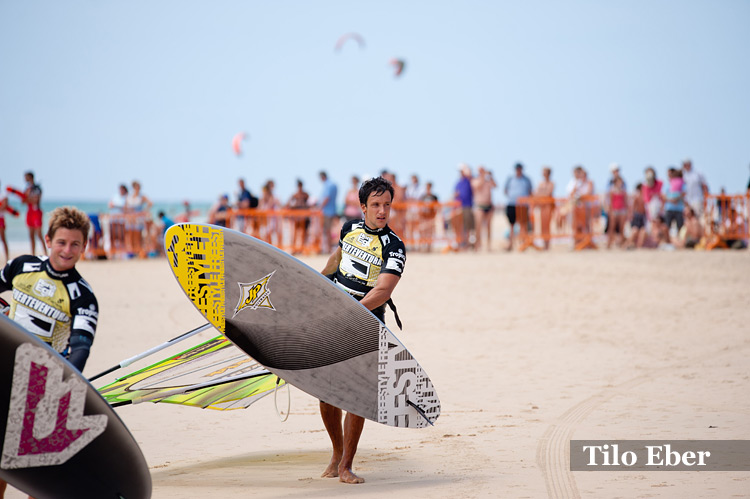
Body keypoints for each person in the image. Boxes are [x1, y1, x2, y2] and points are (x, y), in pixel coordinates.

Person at [0, 207, 99, 499]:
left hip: (44, 386)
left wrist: (60, 389)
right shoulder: (21, 266)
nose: (67, 250)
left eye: (75, 244)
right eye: (61, 242)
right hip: (6, 372)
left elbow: (81, 347)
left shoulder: (83, 296)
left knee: (39, 478)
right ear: (47, 240)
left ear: (84, 247)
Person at [319, 176, 406, 484]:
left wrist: (352, 312)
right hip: (335, 315)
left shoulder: (394, 246)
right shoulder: (349, 229)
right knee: (326, 393)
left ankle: (346, 465)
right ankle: (335, 453)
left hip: (367, 323)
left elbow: (383, 290)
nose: (382, 211)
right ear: (363, 207)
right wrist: (316, 286)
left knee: (356, 394)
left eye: (387, 205)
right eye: (376, 205)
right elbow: (337, 259)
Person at [503, 163, 533, 251]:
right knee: (511, 225)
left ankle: (523, 244)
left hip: (523, 205)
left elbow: (530, 191)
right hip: (512, 204)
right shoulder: (510, 179)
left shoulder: (526, 180)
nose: (518, 170)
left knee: (523, 225)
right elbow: (505, 190)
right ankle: (511, 244)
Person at [472, 166, 497, 251]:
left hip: (489, 206)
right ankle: (477, 245)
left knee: (488, 227)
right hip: (479, 206)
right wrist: (483, 176)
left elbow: (495, 186)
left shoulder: (488, 180)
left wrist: (491, 176)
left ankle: (488, 246)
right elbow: (478, 186)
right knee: (478, 227)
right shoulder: (475, 180)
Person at [22, 171, 46, 256]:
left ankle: (45, 253)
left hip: (36, 211)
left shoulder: (36, 188)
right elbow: (23, 201)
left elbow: (36, 200)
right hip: (30, 212)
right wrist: (28, 198)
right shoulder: (27, 188)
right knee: (31, 235)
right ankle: (33, 254)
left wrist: (28, 198)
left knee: (39, 234)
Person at [454, 164, 475, 250]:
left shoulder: (469, 180)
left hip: (467, 206)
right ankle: (462, 243)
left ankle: (467, 244)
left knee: (468, 227)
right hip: (459, 206)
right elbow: (455, 193)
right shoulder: (459, 182)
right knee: (460, 226)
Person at [286, 179, 310, 253]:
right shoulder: (295, 195)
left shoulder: (305, 195)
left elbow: (308, 204)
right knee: (295, 233)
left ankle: (302, 248)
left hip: (303, 217)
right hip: (297, 217)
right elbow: (289, 203)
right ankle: (294, 248)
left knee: (303, 233)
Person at [534, 166, 555, 250]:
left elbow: (547, 193)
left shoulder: (551, 183)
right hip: (542, 206)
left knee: (547, 225)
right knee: (542, 225)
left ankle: (547, 244)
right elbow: (537, 193)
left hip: (548, 206)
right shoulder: (541, 183)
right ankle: (544, 243)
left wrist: (541, 195)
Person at [318, 171, 338, 253]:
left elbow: (327, 198)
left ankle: (328, 248)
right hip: (331, 210)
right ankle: (328, 248)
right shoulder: (333, 184)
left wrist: (320, 207)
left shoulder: (328, 185)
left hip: (327, 211)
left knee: (327, 231)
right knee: (328, 230)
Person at [663, 167, 686, 241]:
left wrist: (675, 199)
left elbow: (684, 193)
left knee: (680, 226)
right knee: (667, 226)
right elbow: (663, 195)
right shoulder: (667, 184)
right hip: (669, 207)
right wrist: (671, 200)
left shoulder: (681, 183)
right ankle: (667, 241)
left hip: (679, 208)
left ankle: (680, 241)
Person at [0, 179, 20, 262]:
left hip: (1, 218)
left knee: (3, 239)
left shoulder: (3, 195)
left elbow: (4, 207)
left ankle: (7, 257)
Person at [419, 181, 439, 252]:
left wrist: (435, 215)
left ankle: (429, 247)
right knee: (424, 232)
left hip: (431, 216)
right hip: (424, 217)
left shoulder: (434, 196)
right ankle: (423, 247)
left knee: (430, 233)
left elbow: (437, 206)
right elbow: (420, 206)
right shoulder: (423, 196)